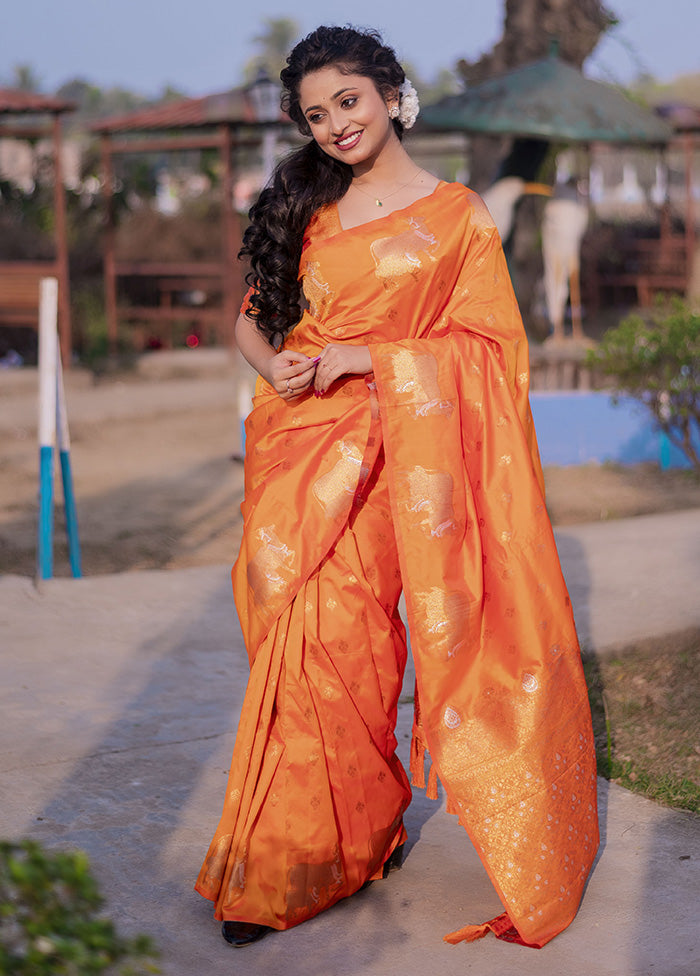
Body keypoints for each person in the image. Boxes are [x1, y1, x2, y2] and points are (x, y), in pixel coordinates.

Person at [195, 25, 599, 950]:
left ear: (389, 92)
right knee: (287, 638)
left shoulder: (458, 217)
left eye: (349, 101)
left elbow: (493, 354)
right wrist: (280, 374)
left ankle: (286, 868)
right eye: (315, 113)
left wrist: (363, 356)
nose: (335, 124)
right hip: (297, 450)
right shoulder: (308, 199)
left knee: (346, 647)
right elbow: (253, 322)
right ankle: (345, 838)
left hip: (392, 463)